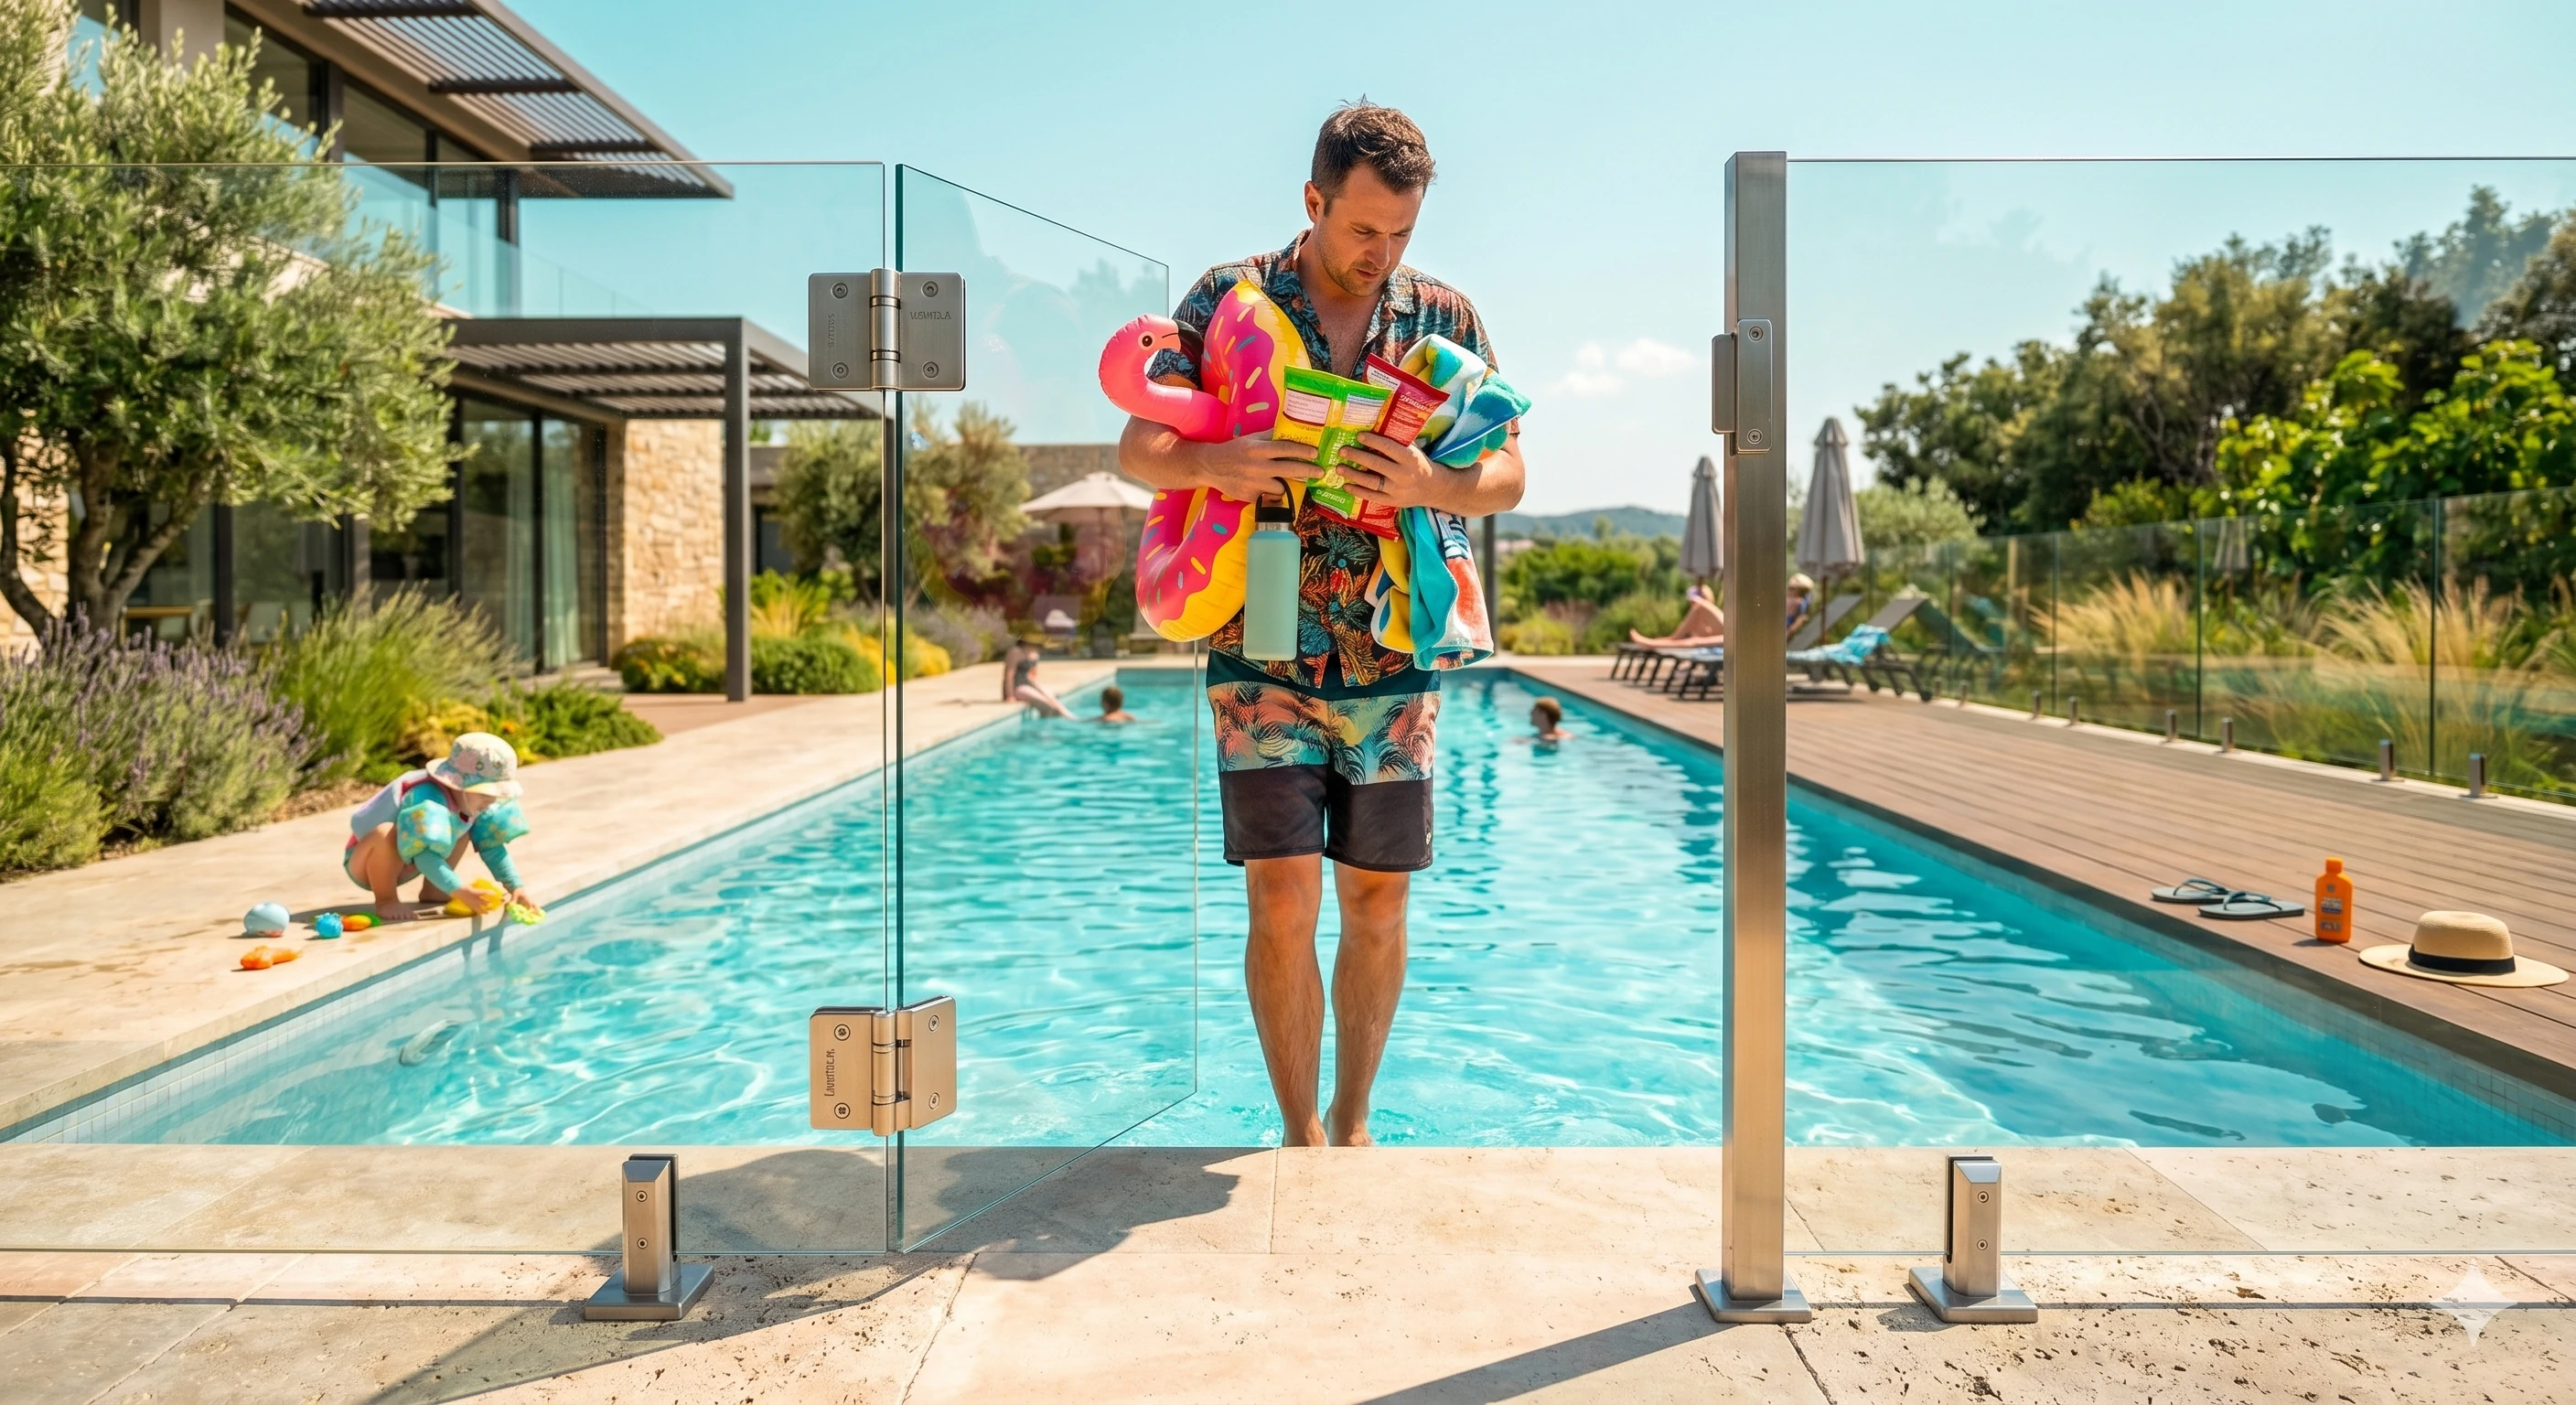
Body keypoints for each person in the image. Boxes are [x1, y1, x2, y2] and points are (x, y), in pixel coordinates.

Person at [1118, 102, 1526, 1147]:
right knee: (1281, 898)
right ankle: (1297, 1132)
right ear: (1312, 201)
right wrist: (1216, 463)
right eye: (1360, 230)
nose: (1380, 254)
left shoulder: (1444, 318)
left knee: (1379, 903)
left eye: (1400, 232)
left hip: (1394, 654)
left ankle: (1352, 1124)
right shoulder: (1224, 298)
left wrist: (1430, 476)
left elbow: (1510, 474)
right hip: (1257, 651)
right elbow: (1135, 447)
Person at [344, 733, 535, 925]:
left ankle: (434, 891)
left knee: (465, 828)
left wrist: (515, 886)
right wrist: (458, 889)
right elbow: (423, 854)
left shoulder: (472, 804)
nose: (492, 800)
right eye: (486, 792)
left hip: (407, 863)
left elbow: (492, 847)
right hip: (368, 863)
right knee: (385, 832)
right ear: (459, 785)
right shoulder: (427, 796)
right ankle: (387, 900)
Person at [1628, 583, 1723, 649]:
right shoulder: (1705, 620)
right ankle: (1660, 642)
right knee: (1693, 641)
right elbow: (1705, 636)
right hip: (1727, 635)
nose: (1691, 605)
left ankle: (1655, 643)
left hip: (1730, 636)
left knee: (1693, 641)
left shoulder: (1703, 609)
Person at [1002, 637, 1073, 718]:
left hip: (1027, 683)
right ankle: (1054, 719)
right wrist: (1010, 696)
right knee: (1045, 703)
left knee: (1051, 698)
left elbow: (1031, 676)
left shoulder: (1034, 654)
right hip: (1017, 687)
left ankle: (1070, 717)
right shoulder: (1015, 652)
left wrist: (1038, 688)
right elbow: (1009, 675)